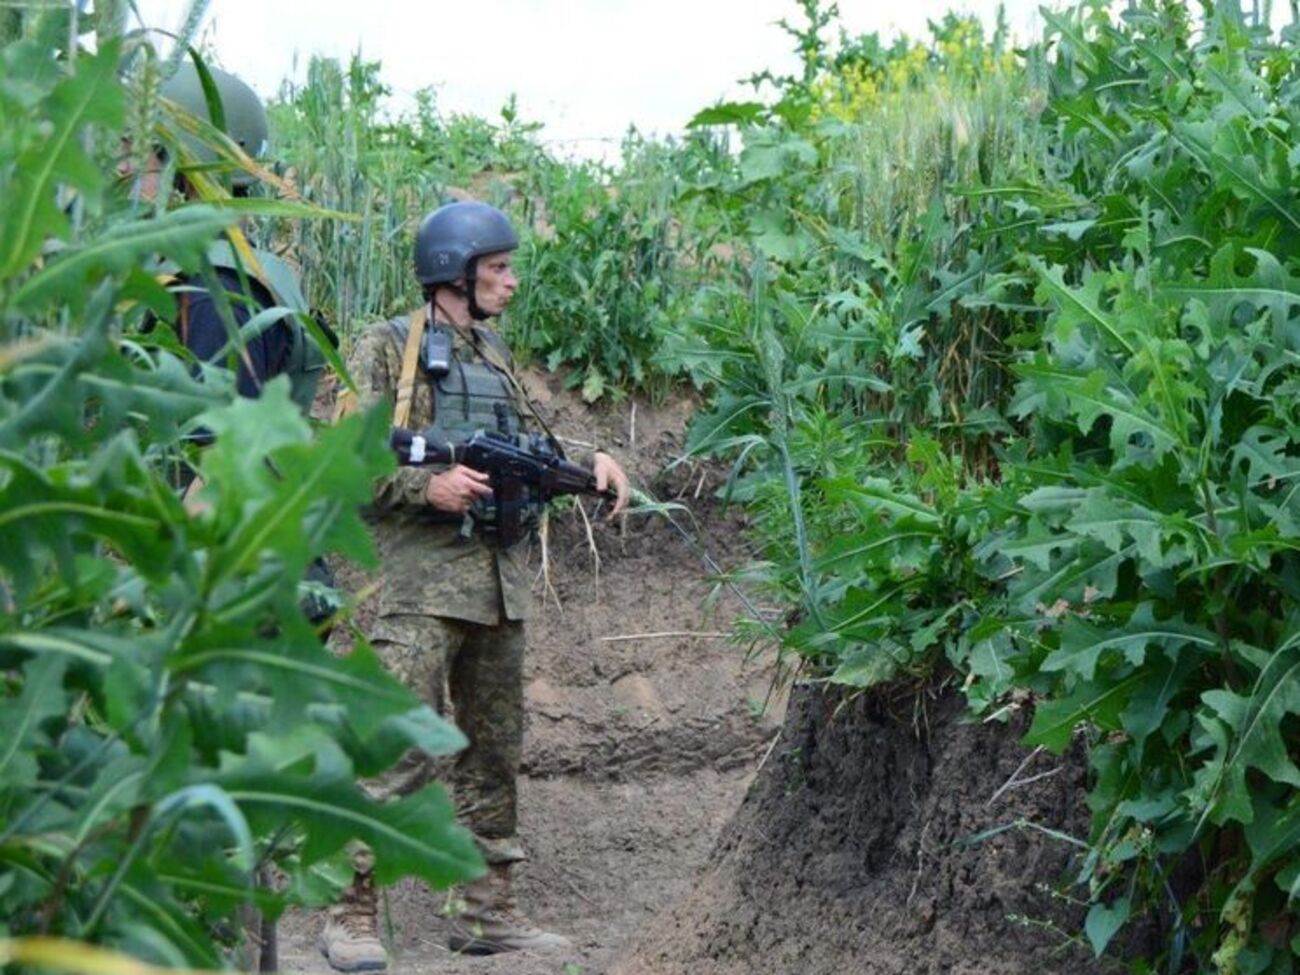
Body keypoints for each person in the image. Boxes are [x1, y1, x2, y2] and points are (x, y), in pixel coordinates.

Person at [322, 200, 629, 969]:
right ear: (453, 271)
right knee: (394, 748)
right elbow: (347, 459)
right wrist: (427, 489)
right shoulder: (388, 347)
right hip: (416, 587)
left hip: (496, 585)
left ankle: (485, 911)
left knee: (494, 752)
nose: (512, 281)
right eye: (498, 268)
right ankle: (349, 912)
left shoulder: (492, 353)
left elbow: (530, 443)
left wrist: (590, 467)